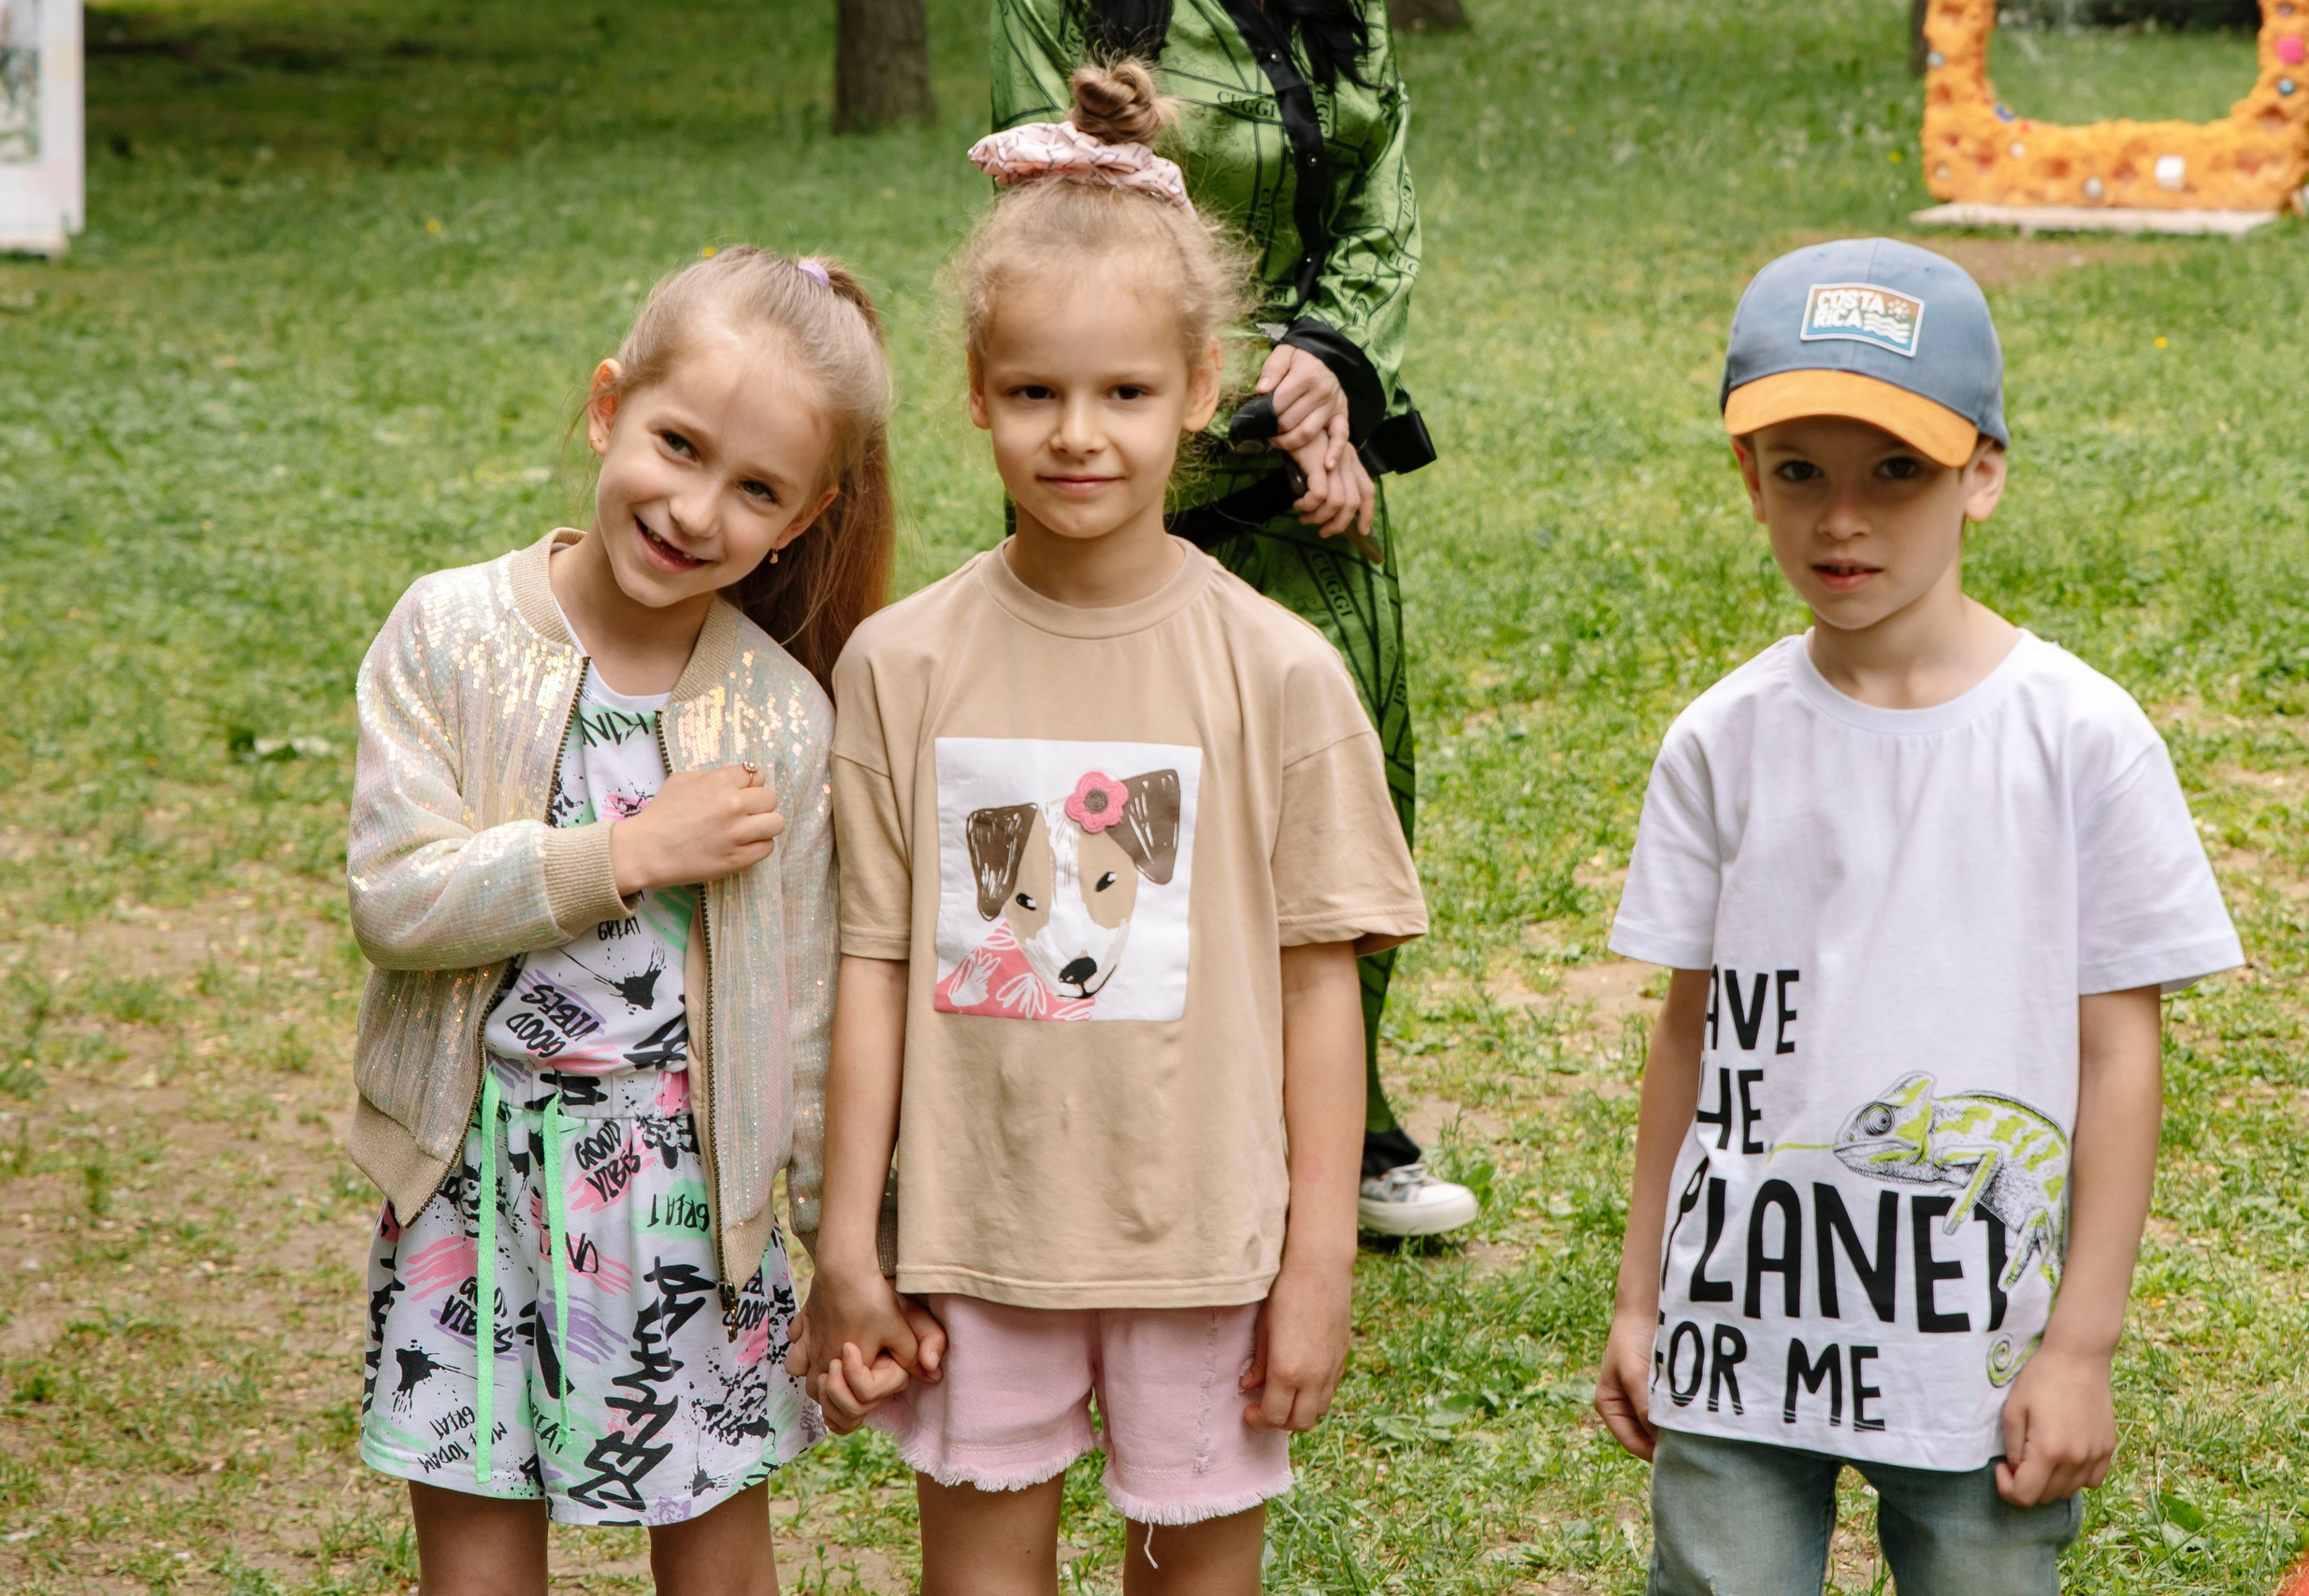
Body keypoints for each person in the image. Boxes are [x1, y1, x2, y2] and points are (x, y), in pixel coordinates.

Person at [795, 63, 1426, 1595]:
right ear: (975, 394)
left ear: (1203, 388)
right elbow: (871, 964)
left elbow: (1315, 981)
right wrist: (849, 1239)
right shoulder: (902, 663)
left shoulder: (1275, 667)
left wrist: (1320, 1260)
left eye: (1127, 393)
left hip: (1207, 1249)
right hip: (975, 1241)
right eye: (1035, 393)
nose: (1081, 435)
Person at [1592, 238, 2244, 1596]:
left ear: (1983, 474)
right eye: (1800, 473)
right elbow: (1688, 1037)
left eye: (1897, 470)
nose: (1845, 520)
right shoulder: (1722, 741)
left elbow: (2121, 1058)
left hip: (1975, 1350)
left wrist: (2080, 1349)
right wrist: (1643, 1297)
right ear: (1748, 482)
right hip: (1740, 1331)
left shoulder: (2080, 740)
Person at [344, 247, 896, 1594]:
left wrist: (840, 1249)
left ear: (804, 518)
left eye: (755, 488)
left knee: (715, 1559)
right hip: (474, 1182)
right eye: (678, 445)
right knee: (474, 1563)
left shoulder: (781, 716)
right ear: (608, 408)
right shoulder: (450, 633)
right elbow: (396, 897)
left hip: (696, 1208)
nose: (697, 509)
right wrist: (629, 853)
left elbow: (806, 1019)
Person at [989, 0, 1477, 1237]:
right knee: (1115, 817)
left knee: (1351, 796)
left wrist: (1337, 368)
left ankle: (1339, 1128)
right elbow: (1050, 247)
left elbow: (1382, 196)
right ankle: (1105, 1132)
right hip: (1128, 466)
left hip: (1320, 483)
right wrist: (1286, 399)